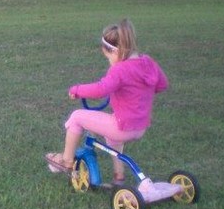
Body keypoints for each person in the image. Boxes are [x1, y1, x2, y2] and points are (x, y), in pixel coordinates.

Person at [45, 19, 169, 184]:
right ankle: (119, 176)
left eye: (108, 57)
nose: (109, 62)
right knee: (113, 140)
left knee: (76, 117)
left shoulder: (119, 69)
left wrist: (77, 89)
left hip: (122, 126)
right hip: (140, 127)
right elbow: (162, 85)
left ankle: (66, 162)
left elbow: (100, 89)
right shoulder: (148, 62)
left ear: (113, 51)